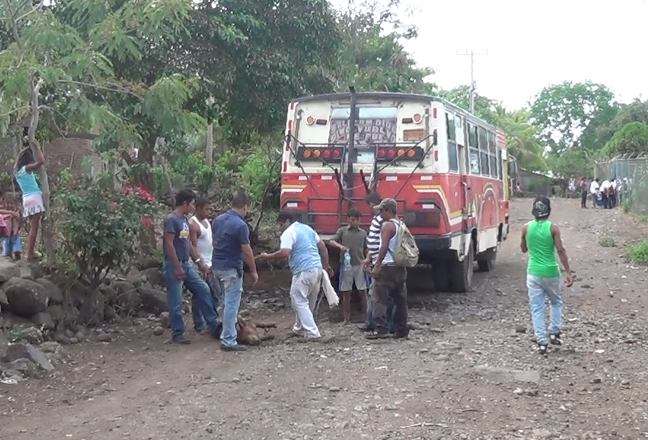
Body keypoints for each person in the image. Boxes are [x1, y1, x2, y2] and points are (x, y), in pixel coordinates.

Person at [258, 211, 332, 340]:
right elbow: (323, 247)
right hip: (316, 269)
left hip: (303, 271)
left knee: (298, 300)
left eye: (280, 224)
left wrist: (268, 256)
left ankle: (312, 333)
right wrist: (325, 267)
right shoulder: (307, 229)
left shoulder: (289, 232)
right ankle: (299, 328)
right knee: (306, 302)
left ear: (286, 221)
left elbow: (285, 253)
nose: (279, 227)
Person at [163, 189, 219, 345]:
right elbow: (169, 243)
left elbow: (187, 243)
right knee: (176, 300)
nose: (194, 207)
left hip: (186, 264)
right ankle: (177, 333)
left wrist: (198, 262)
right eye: (193, 204)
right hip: (174, 264)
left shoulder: (184, 221)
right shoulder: (171, 220)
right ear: (185, 203)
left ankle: (213, 325)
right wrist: (176, 266)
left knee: (203, 289)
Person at [520, 197, 573, 355]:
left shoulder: (525, 228)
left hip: (533, 273)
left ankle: (542, 342)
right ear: (548, 210)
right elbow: (561, 250)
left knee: (537, 308)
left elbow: (523, 249)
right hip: (551, 272)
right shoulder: (553, 228)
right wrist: (568, 272)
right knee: (556, 302)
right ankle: (554, 332)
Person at [212, 190, 259, 352]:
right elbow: (247, 251)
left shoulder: (217, 220)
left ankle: (224, 333)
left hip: (217, 266)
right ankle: (228, 340)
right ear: (245, 206)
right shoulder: (240, 225)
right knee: (232, 304)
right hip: (231, 268)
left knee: (224, 303)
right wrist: (253, 271)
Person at [366, 198, 409, 340]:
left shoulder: (387, 226)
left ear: (388, 210)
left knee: (379, 299)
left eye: (382, 211)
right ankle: (401, 330)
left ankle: (381, 329)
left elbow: (383, 247)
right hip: (400, 267)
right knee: (400, 300)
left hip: (387, 267)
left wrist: (377, 265)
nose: (380, 214)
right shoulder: (401, 224)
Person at [327, 209, 368, 324]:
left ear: (359, 220)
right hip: (346, 266)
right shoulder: (342, 231)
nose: (354, 221)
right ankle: (346, 318)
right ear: (348, 219)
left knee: (363, 291)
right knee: (346, 292)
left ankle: (366, 316)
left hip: (360, 265)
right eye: (352, 219)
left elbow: (367, 248)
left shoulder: (363, 233)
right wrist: (341, 247)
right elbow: (331, 241)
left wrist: (367, 259)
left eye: (356, 219)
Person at [189, 197, 219, 333]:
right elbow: (192, 246)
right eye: (206, 209)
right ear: (198, 208)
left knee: (211, 292)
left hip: (210, 261)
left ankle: (209, 321)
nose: (209, 212)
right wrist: (200, 263)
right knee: (200, 293)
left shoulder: (207, 221)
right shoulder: (193, 224)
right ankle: (200, 323)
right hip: (199, 264)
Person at [14, 139, 45, 261]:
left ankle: (30, 251)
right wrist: (37, 147)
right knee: (34, 228)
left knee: (33, 227)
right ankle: (30, 253)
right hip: (34, 197)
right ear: (28, 160)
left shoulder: (18, 172)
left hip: (26, 198)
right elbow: (41, 161)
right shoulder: (26, 168)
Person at [0, 190, 22, 260]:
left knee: (14, 241)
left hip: (11, 233)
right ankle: (10, 253)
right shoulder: (5, 210)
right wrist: (11, 213)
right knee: (7, 250)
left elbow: (18, 221)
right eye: (8, 203)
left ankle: (16, 252)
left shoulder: (16, 211)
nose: (10, 205)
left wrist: (15, 232)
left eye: (12, 203)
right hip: (7, 234)